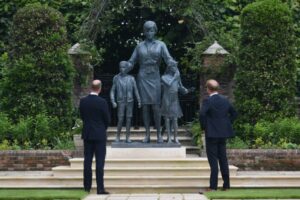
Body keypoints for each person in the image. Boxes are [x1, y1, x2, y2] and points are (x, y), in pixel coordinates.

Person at [128, 20, 175, 143]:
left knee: (156, 107)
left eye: (152, 30)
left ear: (155, 31)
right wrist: (124, 67)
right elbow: (132, 61)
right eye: (147, 30)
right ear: (144, 31)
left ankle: (159, 134)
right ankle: (147, 134)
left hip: (155, 77)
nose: (150, 32)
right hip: (143, 77)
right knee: (145, 107)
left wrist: (172, 65)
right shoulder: (139, 46)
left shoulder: (161, 45)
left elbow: (168, 58)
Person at [199, 79, 237, 192]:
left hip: (211, 134)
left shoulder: (208, 101)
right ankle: (226, 186)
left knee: (213, 161)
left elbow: (202, 114)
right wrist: (227, 123)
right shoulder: (225, 100)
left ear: (208, 89)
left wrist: (204, 127)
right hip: (223, 134)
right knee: (223, 159)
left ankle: (213, 187)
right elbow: (234, 113)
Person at [79, 80, 110, 195]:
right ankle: (100, 188)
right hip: (99, 134)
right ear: (99, 88)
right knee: (99, 162)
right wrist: (102, 128)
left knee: (87, 161)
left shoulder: (83, 101)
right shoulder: (102, 102)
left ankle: (87, 187)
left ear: (90, 88)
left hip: (87, 134)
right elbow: (107, 119)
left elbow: (82, 116)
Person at [110, 61, 141, 143]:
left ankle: (127, 137)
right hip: (120, 101)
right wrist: (113, 101)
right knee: (120, 119)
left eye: (124, 67)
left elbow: (136, 90)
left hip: (130, 101)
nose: (122, 69)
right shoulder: (116, 78)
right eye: (120, 67)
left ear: (127, 68)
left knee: (128, 119)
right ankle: (118, 136)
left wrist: (139, 100)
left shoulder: (131, 78)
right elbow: (112, 91)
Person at [161, 60, 189, 144]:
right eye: (174, 66)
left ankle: (175, 137)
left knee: (175, 119)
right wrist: (175, 78)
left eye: (176, 66)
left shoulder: (177, 77)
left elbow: (180, 87)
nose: (175, 68)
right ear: (169, 67)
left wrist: (185, 90)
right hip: (166, 99)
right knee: (167, 119)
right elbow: (168, 84)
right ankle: (169, 138)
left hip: (174, 99)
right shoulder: (164, 77)